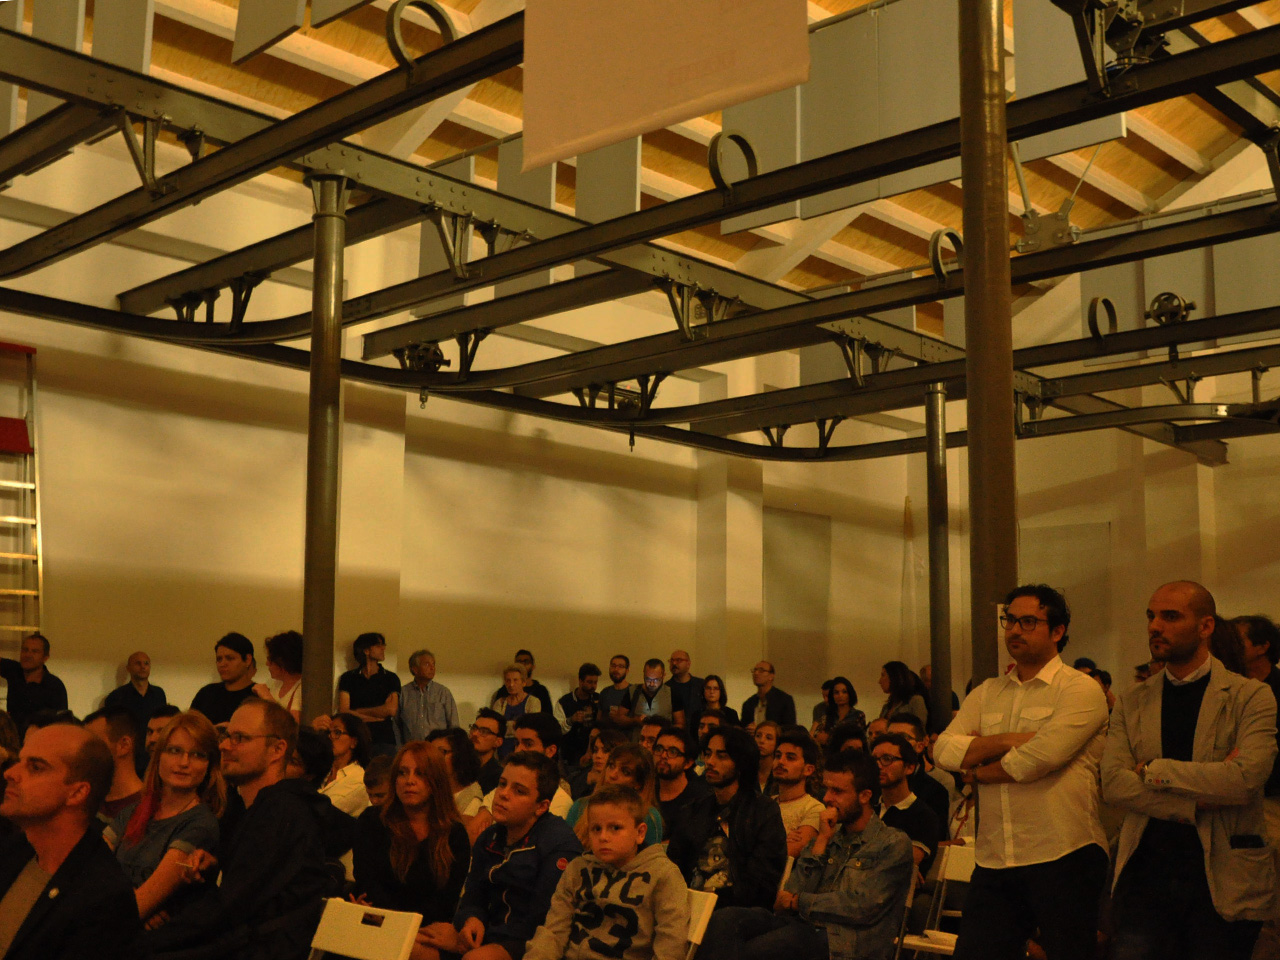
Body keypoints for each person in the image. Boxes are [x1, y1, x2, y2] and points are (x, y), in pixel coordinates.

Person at [1103, 581, 1278, 960]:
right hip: (1146, 874)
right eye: (1151, 616)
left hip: (1224, 875)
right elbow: (1114, 783)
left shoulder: (1250, 696)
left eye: (1170, 617)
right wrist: (1192, 804)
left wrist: (1153, 770)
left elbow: (1243, 780)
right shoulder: (1133, 700)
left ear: (1205, 626)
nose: (1155, 626)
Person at [935, 583, 1110, 960]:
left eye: (1028, 622)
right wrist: (1009, 739)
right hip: (995, 857)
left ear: (1058, 631)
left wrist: (978, 772)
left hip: (1063, 853)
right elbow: (943, 750)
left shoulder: (1080, 689)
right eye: (1010, 620)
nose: (1014, 630)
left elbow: (1040, 759)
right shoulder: (986, 692)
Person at [143, 699, 331, 960]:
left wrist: (146, 942)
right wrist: (214, 867)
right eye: (226, 736)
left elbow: (230, 908)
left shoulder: (281, 811)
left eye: (240, 738)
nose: (224, 746)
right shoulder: (256, 809)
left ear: (277, 749)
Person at [699, 749, 914, 960]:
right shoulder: (828, 833)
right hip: (802, 927)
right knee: (725, 920)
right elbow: (791, 892)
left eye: (837, 791)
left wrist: (798, 902)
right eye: (827, 789)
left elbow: (863, 906)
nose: (827, 798)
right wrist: (821, 841)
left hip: (845, 941)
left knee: (764, 949)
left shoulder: (891, 843)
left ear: (865, 796)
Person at [0, 723, 140, 960]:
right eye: (20, 761)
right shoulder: (14, 851)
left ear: (77, 793)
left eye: (35, 767)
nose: (10, 773)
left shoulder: (103, 898)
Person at [431, 751, 582, 960]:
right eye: (502, 784)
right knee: (415, 946)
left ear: (541, 807)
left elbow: (543, 918)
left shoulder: (559, 845)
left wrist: (480, 942)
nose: (503, 794)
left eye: (519, 791)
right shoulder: (490, 836)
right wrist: (471, 919)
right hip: (486, 934)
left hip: (529, 942)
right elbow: (473, 895)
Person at [525, 785, 690, 960]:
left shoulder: (663, 875)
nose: (603, 837)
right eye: (596, 829)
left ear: (640, 833)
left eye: (615, 828)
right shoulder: (577, 868)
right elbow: (553, 932)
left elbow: (671, 945)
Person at [103, 710, 224, 925]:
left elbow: (140, 905)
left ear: (209, 766)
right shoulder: (133, 811)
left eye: (198, 755)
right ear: (159, 755)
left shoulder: (200, 823)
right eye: (175, 751)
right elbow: (88, 872)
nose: (184, 762)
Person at [352, 740, 471, 959]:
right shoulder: (372, 821)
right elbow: (367, 882)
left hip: (427, 930)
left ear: (436, 781)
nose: (409, 781)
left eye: (420, 774)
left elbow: (446, 900)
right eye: (402, 773)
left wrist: (409, 930)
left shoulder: (454, 834)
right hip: (379, 922)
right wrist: (396, 926)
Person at [665, 725, 787, 909]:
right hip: (688, 904)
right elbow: (673, 867)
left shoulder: (763, 811)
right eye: (708, 754)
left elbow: (762, 884)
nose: (710, 762)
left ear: (741, 763)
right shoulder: (694, 810)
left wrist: (712, 904)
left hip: (737, 911)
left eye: (721, 756)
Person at [1236, 614, 1280, 880]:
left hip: (1273, 798)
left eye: (1238, 639)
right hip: (1236, 797)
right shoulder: (1231, 688)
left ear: (1263, 646)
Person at [565, 742, 663, 846]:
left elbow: (649, 855)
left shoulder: (648, 816)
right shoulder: (580, 806)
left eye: (625, 772)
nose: (612, 775)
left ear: (638, 784)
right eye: (611, 766)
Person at [870, 733, 941, 874]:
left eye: (887, 759)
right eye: (874, 760)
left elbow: (899, 866)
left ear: (909, 768)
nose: (878, 766)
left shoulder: (924, 816)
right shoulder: (869, 808)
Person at [885, 712, 953, 831]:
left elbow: (936, 836)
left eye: (902, 737)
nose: (894, 744)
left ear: (920, 746)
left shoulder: (935, 792)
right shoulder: (873, 782)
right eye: (890, 737)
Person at [335, 632, 402, 752]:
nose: (383, 648)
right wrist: (377, 716)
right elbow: (344, 711)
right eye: (378, 645)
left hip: (383, 739)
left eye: (383, 645)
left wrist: (357, 712)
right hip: (356, 738)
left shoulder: (390, 678)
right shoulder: (348, 678)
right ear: (366, 650)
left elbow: (391, 710)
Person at [771, 728, 825, 858]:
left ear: (808, 770)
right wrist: (782, 840)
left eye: (790, 758)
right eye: (778, 756)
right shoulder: (765, 803)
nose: (781, 761)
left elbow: (789, 852)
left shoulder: (814, 809)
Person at [83, 706, 145, 819]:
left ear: (124, 746)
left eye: (93, 744)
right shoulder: (87, 800)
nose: (84, 753)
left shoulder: (148, 808)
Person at [0, 632, 68, 732]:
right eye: (25, 650)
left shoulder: (54, 686)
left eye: (35, 651)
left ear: (45, 657)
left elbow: (62, 724)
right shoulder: (15, 670)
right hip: (13, 738)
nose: (28, 655)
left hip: (40, 739)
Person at [189, 632, 259, 725]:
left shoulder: (258, 695)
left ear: (247, 660)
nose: (222, 664)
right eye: (219, 659)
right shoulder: (206, 693)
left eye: (230, 658)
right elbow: (190, 727)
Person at [654, 726, 712, 837]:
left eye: (673, 752)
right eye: (659, 749)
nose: (663, 755)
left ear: (688, 763)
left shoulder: (699, 799)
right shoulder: (645, 790)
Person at [103, 651, 168, 745]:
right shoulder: (116, 696)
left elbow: (163, 722)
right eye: (138, 663)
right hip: (129, 747)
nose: (143, 666)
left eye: (146, 663)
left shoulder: (159, 694)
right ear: (128, 668)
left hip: (154, 745)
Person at [400, 648, 461, 743]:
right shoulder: (403, 693)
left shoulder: (443, 692)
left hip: (437, 747)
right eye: (427, 664)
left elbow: (454, 725)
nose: (432, 668)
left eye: (433, 664)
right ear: (415, 669)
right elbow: (396, 724)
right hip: (412, 747)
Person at [426, 728, 485, 825]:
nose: (433, 759)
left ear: (460, 756)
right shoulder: (432, 788)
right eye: (430, 753)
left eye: (442, 752)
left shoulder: (472, 800)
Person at [319, 712, 372, 817]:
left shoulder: (359, 780)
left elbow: (325, 813)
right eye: (328, 732)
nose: (330, 737)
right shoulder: (320, 770)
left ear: (353, 742)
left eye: (337, 732)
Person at [251, 630, 303, 722]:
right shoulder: (276, 683)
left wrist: (267, 696)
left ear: (283, 662)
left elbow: (292, 723)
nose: (267, 663)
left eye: (270, 660)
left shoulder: (301, 687)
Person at [491, 664, 542, 756]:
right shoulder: (500, 703)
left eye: (515, 680)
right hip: (502, 751)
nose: (511, 684)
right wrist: (516, 724)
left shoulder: (533, 702)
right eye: (508, 680)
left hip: (525, 752)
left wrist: (506, 725)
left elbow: (531, 727)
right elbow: (496, 728)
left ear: (523, 682)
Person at [490, 649, 555, 717]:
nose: (522, 664)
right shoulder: (502, 696)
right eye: (519, 662)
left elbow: (546, 718)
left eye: (526, 662)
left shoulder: (540, 692)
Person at [558, 663, 601, 766]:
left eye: (595, 682)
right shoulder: (564, 702)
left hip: (594, 753)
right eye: (589, 682)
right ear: (580, 681)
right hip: (570, 754)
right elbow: (557, 729)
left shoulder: (599, 699)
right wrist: (571, 720)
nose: (593, 686)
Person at [570, 728, 627, 801]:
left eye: (606, 751)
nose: (598, 755)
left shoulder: (619, 786)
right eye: (595, 750)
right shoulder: (579, 776)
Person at [742, 661, 796, 732]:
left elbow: (790, 730)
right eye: (754, 670)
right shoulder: (749, 703)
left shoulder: (784, 700)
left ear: (771, 676)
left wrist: (760, 731)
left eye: (761, 670)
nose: (756, 673)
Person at [810, 676, 862, 749]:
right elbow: (816, 736)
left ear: (850, 694)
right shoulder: (827, 715)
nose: (840, 695)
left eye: (844, 692)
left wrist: (829, 739)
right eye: (836, 693)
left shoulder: (857, 715)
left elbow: (857, 740)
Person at [629, 659, 674, 732]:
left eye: (656, 680)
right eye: (648, 679)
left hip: (662, 735)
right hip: (638, 736)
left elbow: (680, 723)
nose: (652, 684)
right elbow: (620, 718)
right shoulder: (633, 691)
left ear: (663, 675)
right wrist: (635, 720)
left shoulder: (671, 693)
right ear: (644, 674)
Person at [876, 661, 927, 725]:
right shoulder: (886, 707)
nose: (880, 681)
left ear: (894, 677)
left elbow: (920, 727)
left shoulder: (915, 701)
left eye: (883, 675)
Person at [470, 709, 506, 793]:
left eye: (484, 732)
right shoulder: (458, 765)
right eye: (474, 728)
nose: (475, 734)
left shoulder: (498, 777)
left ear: (498, 742)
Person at [668, 650, 704, 728]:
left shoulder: (701, 685)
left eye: (678, 660)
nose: (674, 663)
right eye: (672, 660)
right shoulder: (666, 688)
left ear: (688, 664)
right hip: (676, 732)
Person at [598, 655, 634, 729]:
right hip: (607, 734)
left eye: (620, 666)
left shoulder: (634, 691)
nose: (616, 669)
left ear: (627, 670)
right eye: (613, 666)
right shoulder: (604, 692)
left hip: (628, 735)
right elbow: (599, 719)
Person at [755, 720, 780, 790]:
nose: (761, 741)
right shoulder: (745, 771)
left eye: (768, 738)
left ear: (777, 743)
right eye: (758, 736)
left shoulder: (779, 773)